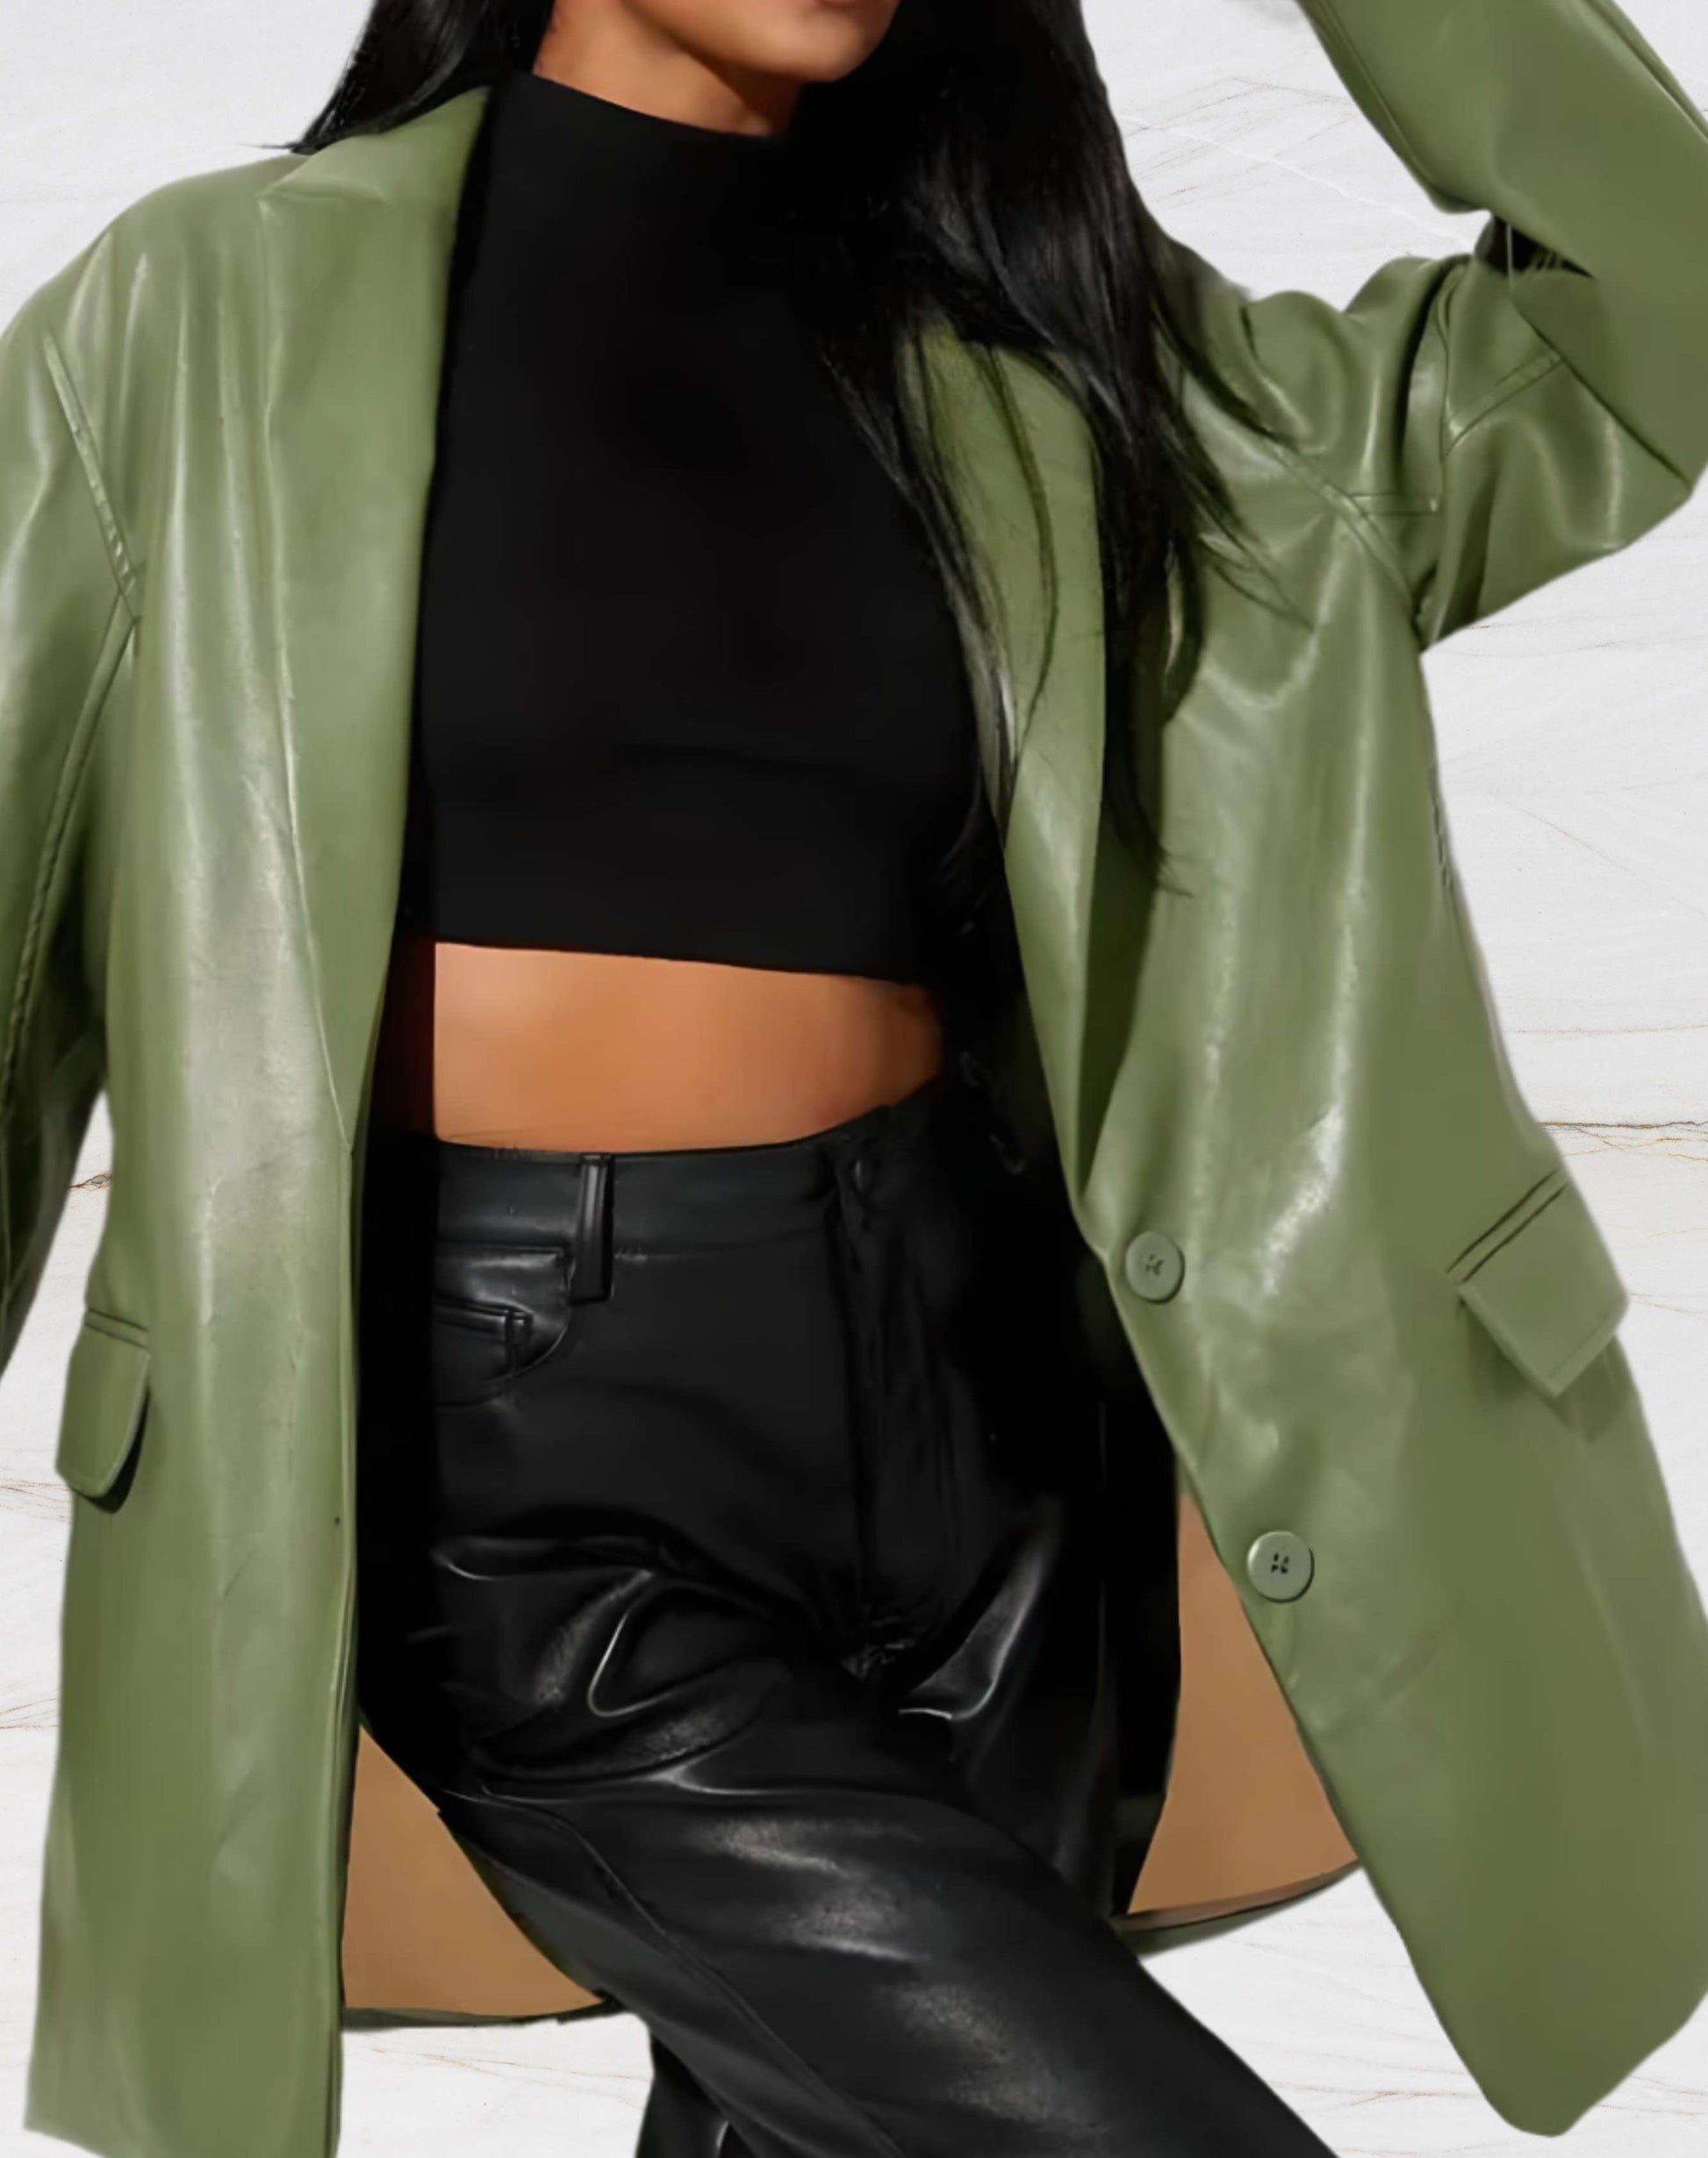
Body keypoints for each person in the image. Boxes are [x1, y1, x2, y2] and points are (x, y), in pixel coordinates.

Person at [9, 4, 1708, 2157]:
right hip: (523, 1474)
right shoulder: (202, 316)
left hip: (997, 1439)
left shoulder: (1080, 364)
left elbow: (1656, 317)